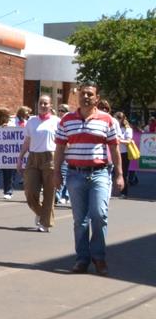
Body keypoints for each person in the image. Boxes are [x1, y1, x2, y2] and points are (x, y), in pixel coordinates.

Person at [54, 82, 124, 275]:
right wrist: (56, 172)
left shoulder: (107, 120)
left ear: (97, 98)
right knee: (80, 220)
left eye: (90, 94)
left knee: (99, 215)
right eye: (83, 93)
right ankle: (82, 259)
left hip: (100, 173)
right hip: (75, 174)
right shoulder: (66, 120)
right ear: (78, 96)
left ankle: (99, 258)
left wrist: (119, 174)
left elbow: (114, 148)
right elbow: (60, 148)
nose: (86, 97)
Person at [17, 96, 59, 233]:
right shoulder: (31, 121)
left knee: (49, 192)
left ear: (50, 105)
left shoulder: (57, 121)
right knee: (30, 191)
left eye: (45, 103)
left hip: (50, 157)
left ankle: (45, 223)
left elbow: (63, 142)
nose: (43, 105)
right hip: (33, 157)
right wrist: (20, 157)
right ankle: (41, 213)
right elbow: (27, 140)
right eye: (40, 103)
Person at [0, 108, 15, 200]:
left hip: (8, 154)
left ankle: (8, 191)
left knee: (8, 173)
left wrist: (7, 127)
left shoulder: (11, 123)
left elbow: (17, 133)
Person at [113, 111, 133, 198]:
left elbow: (128, 141)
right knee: (113, 173)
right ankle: (114, 191)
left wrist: (119, 140)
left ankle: (124, 193)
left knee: (123, 173)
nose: (116, 120)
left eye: (118, 119)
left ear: (122, 119)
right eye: (115, 118)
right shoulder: (113, 128)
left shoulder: (127, 129)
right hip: (114, 152)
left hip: (124, 154)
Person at [55, 103, 71, 204]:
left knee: (66, 174)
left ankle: (63, 195)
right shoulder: (57, 122)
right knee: (61, 173)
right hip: (59, 151)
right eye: (59, 110)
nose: (60, 113)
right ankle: (59, 194)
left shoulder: (69, 122)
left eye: (63, 111)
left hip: (69, 152)